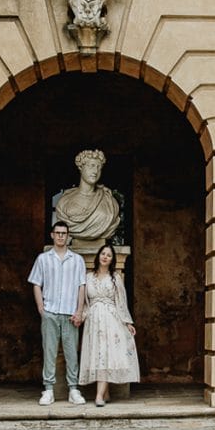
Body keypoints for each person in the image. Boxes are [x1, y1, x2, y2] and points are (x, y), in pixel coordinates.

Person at [27, 220, 87, 406]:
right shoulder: (43, 259)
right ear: (52, 235)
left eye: (64, 233)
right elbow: (36, 283)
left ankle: (73, 389)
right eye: (58, 233)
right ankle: (48, 390)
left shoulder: (77, 260)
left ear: (68, 236)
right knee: (50, 352)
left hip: (70, 313)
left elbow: (81, 286)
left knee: (71, 353)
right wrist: (40, 308)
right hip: (50, 312)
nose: (61, 236)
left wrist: (79, 311)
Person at [79, 244, 139, 406]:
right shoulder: (88, 277)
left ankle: (99, 396)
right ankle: (105, 393)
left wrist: (127, 322)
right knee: (98, 356)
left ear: (112, 260)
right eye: (103, 253)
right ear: (98, 256)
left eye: (109, 255)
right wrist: (81, 316)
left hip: (111, 320)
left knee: (106, 355)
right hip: (93, 322)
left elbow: (121, 302)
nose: (105, 257)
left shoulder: (115, 278)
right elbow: (85, 302)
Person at [54, 149, 121, 245]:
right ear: (81, 167)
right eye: (91, 166)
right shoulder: (64, 202)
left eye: (99, 167)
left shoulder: (110, 202)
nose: (95, 171)